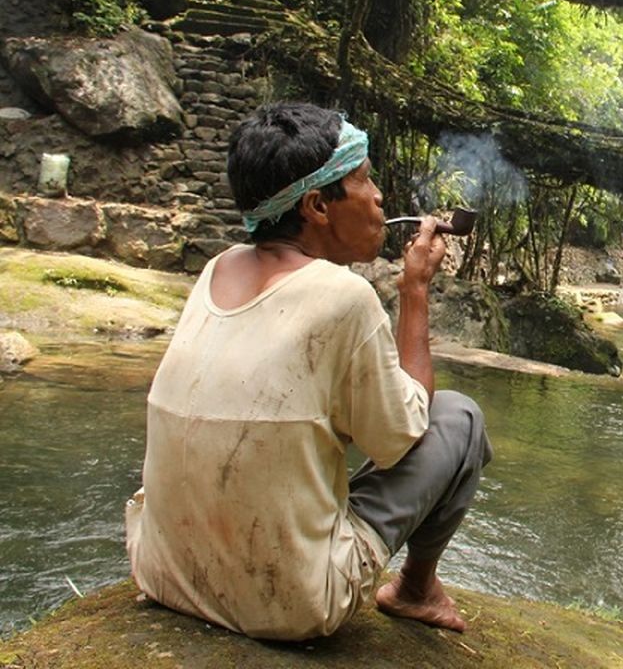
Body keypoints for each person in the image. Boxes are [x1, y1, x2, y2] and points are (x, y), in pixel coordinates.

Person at [124, 102, 492, 640]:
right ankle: (416, 590)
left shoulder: (216, 269)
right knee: (459, 417)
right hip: (287, 606)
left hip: (162, 574)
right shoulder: (343, 296)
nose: (378, 197)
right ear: (318, 205)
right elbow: (403, 433)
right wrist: (415, 291)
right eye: (364, 179)